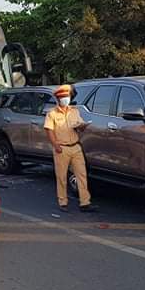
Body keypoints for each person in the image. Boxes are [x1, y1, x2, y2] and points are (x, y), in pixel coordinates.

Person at [44, 85, 96, 213]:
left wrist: (82, 126)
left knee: (81, 175)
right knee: (61, 176)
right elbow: (49, 130)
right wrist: (55, 145)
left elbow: (79, 127)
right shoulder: (52, 114)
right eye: (62, 97)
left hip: (76, 146)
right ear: (58, 99)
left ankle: (85, 202)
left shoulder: (75, 111)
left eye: (67, 97)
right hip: (62, 148)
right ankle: (63, 202)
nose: (65, 99)